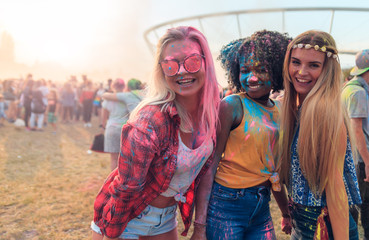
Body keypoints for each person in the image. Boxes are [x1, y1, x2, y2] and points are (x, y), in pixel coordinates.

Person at [91, 26, 220, 240]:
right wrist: (111, 235)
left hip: (166, 219)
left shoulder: (213, 113)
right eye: (171, 64)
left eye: (192, 61)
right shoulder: (150, 121)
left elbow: (207, 173)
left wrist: (200, 227)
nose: (182, 71)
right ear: (161, 69)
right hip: (128, 219)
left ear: (207, 62)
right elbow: (127, 187)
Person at [192, 30, 292, 240]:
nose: (252, 77)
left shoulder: (282, 108)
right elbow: (210, 164)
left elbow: (273, 168)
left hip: (262, 206)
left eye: (262, 70)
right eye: (245, 70)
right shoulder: (232, 105)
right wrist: (199, 226)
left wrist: (285, 212)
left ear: (275, 71)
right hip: (226, 205)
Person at [279, 30, 362, 239]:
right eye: (296, 62)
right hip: (304, 224)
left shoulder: (323, 112)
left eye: (313, 65)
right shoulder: (299, 108)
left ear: (327, 70)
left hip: (324, 228)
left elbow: (335, 190)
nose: (301, 72)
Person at [342, 49, 369, 240]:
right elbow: (357, 129)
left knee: (353, 204)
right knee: (365, 206)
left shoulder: (349, 88)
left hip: (351, 157)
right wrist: (368, 163)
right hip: (360, 160)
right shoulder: (358, 92)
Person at [100, 78, 128, 170]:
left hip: (111, 128)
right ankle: (122, 180)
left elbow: (104, 115)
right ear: (124, 86)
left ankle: (113, 181)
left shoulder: (108, 99)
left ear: (113, 86)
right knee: (124, 158)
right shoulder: (127, 98)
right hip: (124, 129)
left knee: (113, 158)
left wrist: (102, 127)